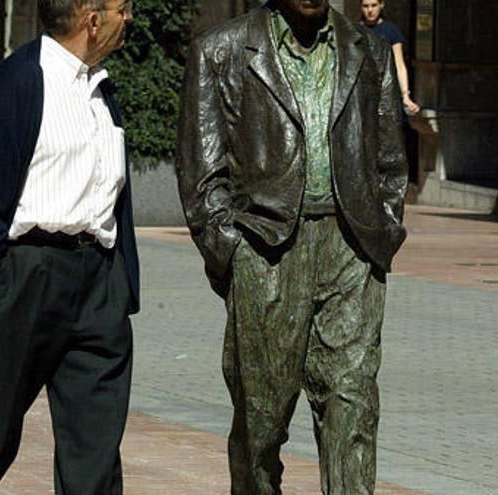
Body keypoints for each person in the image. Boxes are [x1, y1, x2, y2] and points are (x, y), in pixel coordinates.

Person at [176, 0, 408, 493]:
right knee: (262, 419)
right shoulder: (221, 51)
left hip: (351, 247)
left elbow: (390, 159)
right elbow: (201, 171)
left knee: (353, 405)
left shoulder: (369, 50)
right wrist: (232, 250)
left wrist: (382, 230)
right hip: (266, 249)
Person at [0, 0, 138, 492]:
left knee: (96, 443)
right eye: (122, 9)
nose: (129, 18)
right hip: (26, 276)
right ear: (92, 20)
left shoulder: (99, 86)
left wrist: (118, 280)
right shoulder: (21, 81)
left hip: (98, 281)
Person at [360, 0, 420, 115]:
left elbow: (399, 64)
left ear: (381, 5)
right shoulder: (355, 30)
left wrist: (405, 95)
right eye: (366, 6)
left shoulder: (391, 30)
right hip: (363, 91)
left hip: (386, 89)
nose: (370, 10)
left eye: (374, 5)